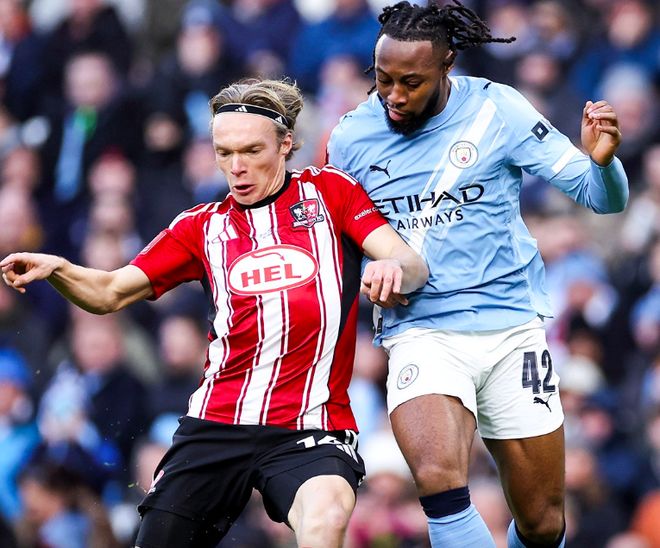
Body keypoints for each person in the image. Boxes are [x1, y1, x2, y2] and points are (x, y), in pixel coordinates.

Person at [1, 78, 429, 548]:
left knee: (325, 519)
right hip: (216, 423)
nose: (237, 167)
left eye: (251, 150)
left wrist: (390, 265)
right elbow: (108, 292)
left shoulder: (330, 193)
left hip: (311, 424)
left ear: (286, 143)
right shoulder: (200, 227)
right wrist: (60, 269)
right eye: (224, 153)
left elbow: (409, 263)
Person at [326, 2, 629, 547]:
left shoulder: (498, 109)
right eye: (383, 78)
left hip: (512, 329)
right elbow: (342, 241)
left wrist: (603, 163)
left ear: (447, 65)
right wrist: (373, 271)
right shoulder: (350, 138)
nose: (394, 96)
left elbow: (602, 198)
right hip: (421, 331)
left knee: (542, 522)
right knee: (438, 479)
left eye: (411, 82)